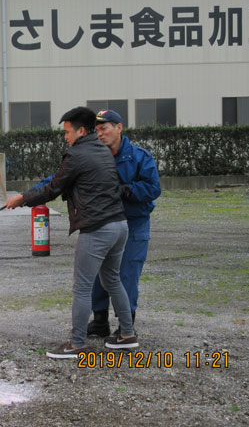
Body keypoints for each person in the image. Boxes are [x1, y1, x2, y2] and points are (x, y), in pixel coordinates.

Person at [5, 107, 137, 359]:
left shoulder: (77, 154)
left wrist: (21, 199)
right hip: (119, 226)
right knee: (112, 279)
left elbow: (54, 187)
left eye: (67, 132)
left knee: (82, 286)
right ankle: (127, 334)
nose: (65, 137)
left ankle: (77, 344)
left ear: (81, 130)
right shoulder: (101, 149)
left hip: (97, 228)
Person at [87, 109, 161, 339]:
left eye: (104, 128)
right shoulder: (93, 156)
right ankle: (99, 320)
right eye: (96, 130)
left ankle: (126, 325)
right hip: (104, 222)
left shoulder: (140, 157)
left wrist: (128, 189)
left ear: (119, 128)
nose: (99, 134)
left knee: (127, 273)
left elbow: (153, 188)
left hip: (133, 223)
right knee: (98, 273)